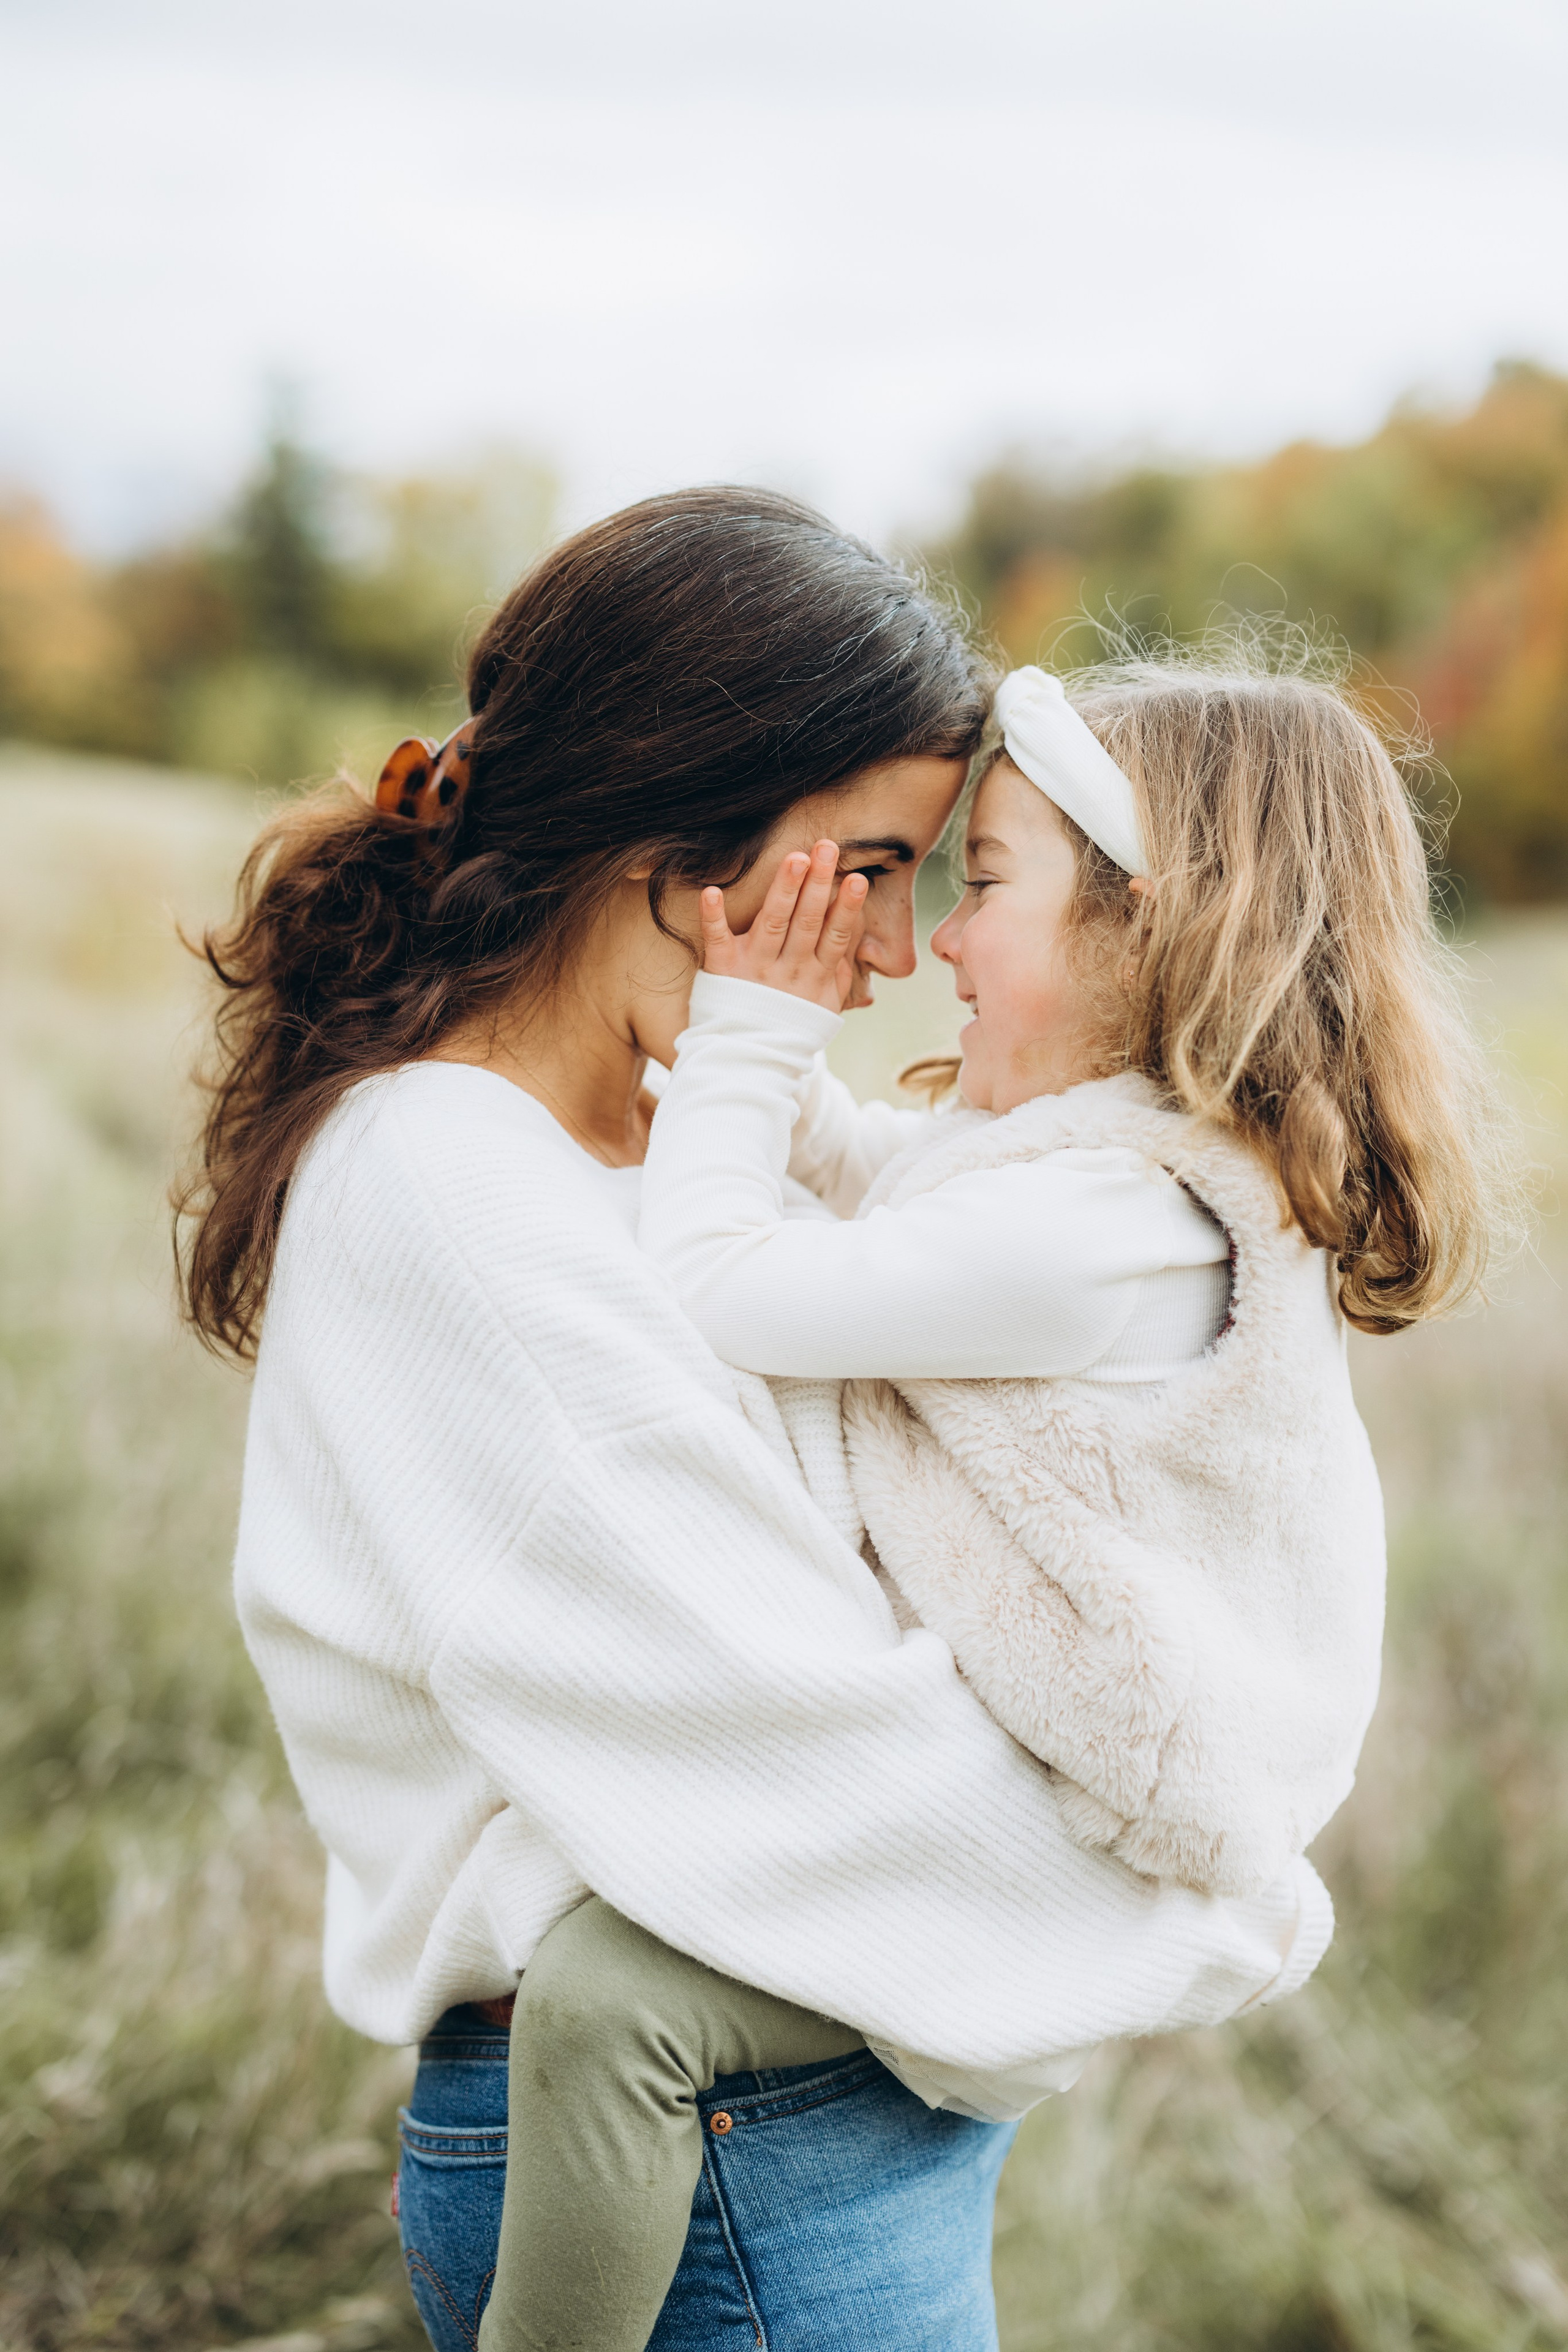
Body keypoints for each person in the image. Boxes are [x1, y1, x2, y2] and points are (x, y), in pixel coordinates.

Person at [180, 496, 1330, 2352]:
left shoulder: (657, 1145)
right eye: (865, 865)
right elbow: (792, 1732)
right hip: (697, 2148)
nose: (886, 954)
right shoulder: (444, 1189)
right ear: (669, 831)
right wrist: (1188, 1910)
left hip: (793, 2101)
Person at [479, 652, 1517, 2352]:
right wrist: (729, 1008)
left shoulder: (1109, 1233)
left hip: (1077, 1838)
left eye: (991, 884)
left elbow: (726, 1285)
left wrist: (752, 1040)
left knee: (608, 2004)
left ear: (1151, 929)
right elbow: (881, 1186)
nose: (943, 940)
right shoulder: (1106, 1171)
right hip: (1053, 1785)